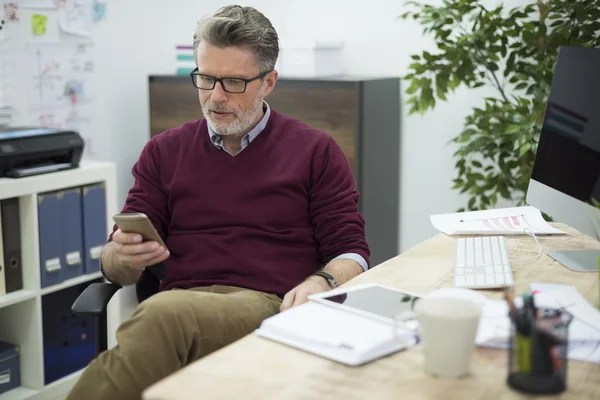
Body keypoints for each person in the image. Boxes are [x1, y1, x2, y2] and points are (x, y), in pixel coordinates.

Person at [67, 5, 369, 399]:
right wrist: (120, 256)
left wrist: (323, 281)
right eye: (206, 79)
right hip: (180, 302)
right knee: (162, 317)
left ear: (269, 82)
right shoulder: (163, 151)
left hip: (266, 304)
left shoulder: (315, 150)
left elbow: (353, 252)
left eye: (233, 83)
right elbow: (119, 272)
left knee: (160, 317)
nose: (216, 97)